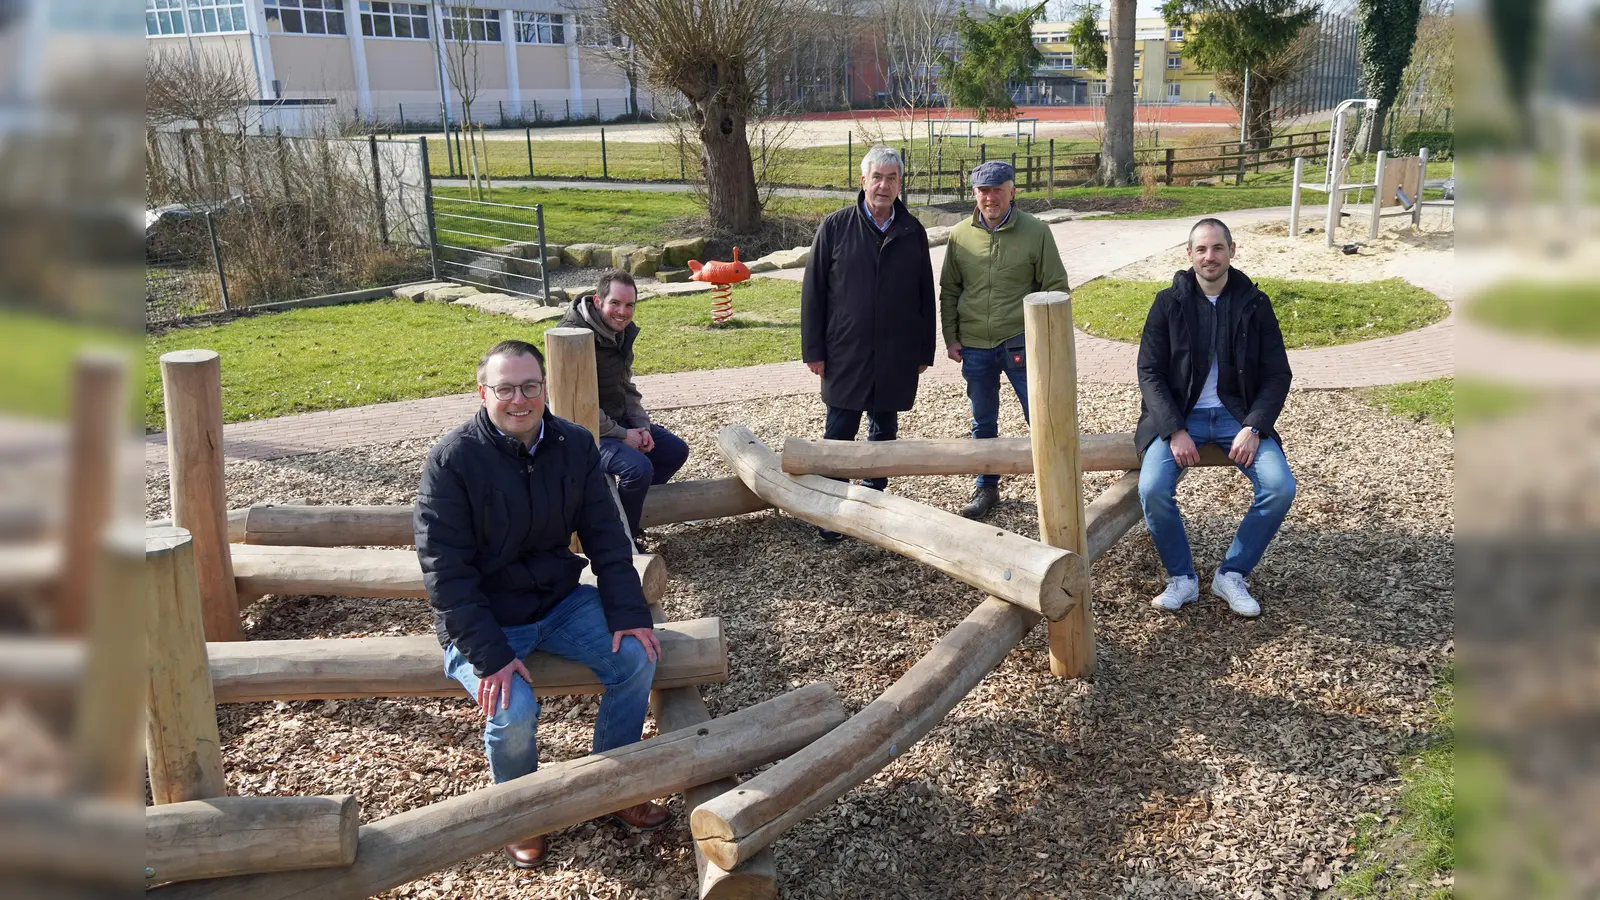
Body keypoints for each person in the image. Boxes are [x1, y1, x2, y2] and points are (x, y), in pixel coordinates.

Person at [414, 339, 670, 870]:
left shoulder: (573, 444)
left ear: (544, 389)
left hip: (557, 601)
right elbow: (446, 574)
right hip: (486, 618)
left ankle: (612, 785)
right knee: (512, 711)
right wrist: (489, 656)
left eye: (530, 386)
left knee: (638, 658)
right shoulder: (452, 460)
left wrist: (627, 613)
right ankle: (522, 812)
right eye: (505, 388)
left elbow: (605, 534)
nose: (520, 399)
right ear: (483, 393)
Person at [1134, 218, 1296, 618]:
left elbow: (1278, 374)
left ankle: (1232, 573)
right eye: (1202, 249)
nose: (1210, 257)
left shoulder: (1254, 304)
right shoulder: (1167, 303)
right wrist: (1174, 429)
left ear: (1232, 251)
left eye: (1218, 248)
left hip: (1235, 417)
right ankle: (1182, 578)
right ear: (1189, 255)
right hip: (1180, 418)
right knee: (1152, 489)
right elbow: (1149, 372)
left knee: (1279, 488)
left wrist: (1254, 425)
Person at [800, 145, 936, 542]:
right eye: (877, 177)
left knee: (884, 430)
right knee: (839, 431)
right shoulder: (836, 226)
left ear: (899, 184)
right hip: (845, 351)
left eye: (892, 178)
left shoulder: (912, 230)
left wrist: (923, 351)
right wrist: (814, 350)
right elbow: (813, 293)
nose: (883, 185)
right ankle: (831, 510)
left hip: (895, 352)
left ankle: (874, 504)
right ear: (863, 181)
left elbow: (925, 293)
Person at [939, 159, 1070, 521]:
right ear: (974, 194)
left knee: (1040, 414)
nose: (990, 197)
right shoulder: (960, 235)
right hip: (976, 345)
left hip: (1020, 343)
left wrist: (1046, 340)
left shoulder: (1036, 232)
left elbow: (1055, 287)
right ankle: (986, 485)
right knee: (983, 421)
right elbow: (949, 289)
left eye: (997, 189)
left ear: (1012, 191)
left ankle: (1056, 481)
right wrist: (951, 336)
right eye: (983, 190)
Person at [557, 270, 691, 549]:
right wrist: (621, 435)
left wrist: (641, 426)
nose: (623, 311)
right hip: (582, 431)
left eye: (629, 305)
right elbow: (580, 405)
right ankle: (620, 539)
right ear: (598, 300)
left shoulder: (621, 332)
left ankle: (630, 515)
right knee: (637, 469)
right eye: (615, 303)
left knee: (674, 451)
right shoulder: (573, 336)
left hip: (615, 422)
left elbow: (625, 385)